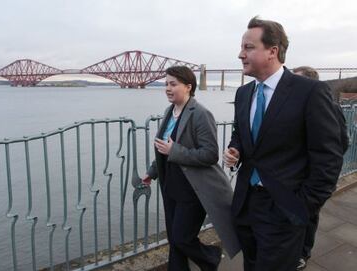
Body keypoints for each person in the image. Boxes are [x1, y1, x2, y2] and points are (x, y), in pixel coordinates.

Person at [223, 17, 344, 271]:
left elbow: (328, 157)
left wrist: (302, 208)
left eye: (248, 47)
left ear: (272, 51)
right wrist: (237, 149)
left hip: (285, 209)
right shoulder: (243, 93)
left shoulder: (310, 92)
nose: (240, 54)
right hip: (246, 204)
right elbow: (240, 133)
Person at [142, 66, 240, 271]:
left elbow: (210, 154)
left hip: (193, 189)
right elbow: (163, 148)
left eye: (173, 84)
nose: (168, 88)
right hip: (171, 185)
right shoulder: (170, 111)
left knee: (182, 238)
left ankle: (211, 257)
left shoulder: (201, 114)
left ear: (188, 86)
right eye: (166, 83)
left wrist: (175, 151)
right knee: (175, 239)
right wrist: (152, 172)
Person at [293, 66, 349, 270]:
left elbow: (341, 143)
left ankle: (303, 253)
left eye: (296, 80)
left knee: (309, 216)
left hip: (312, 177)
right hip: (296, 175)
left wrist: (319, 171)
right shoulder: (296, 106)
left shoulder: (330, 107)